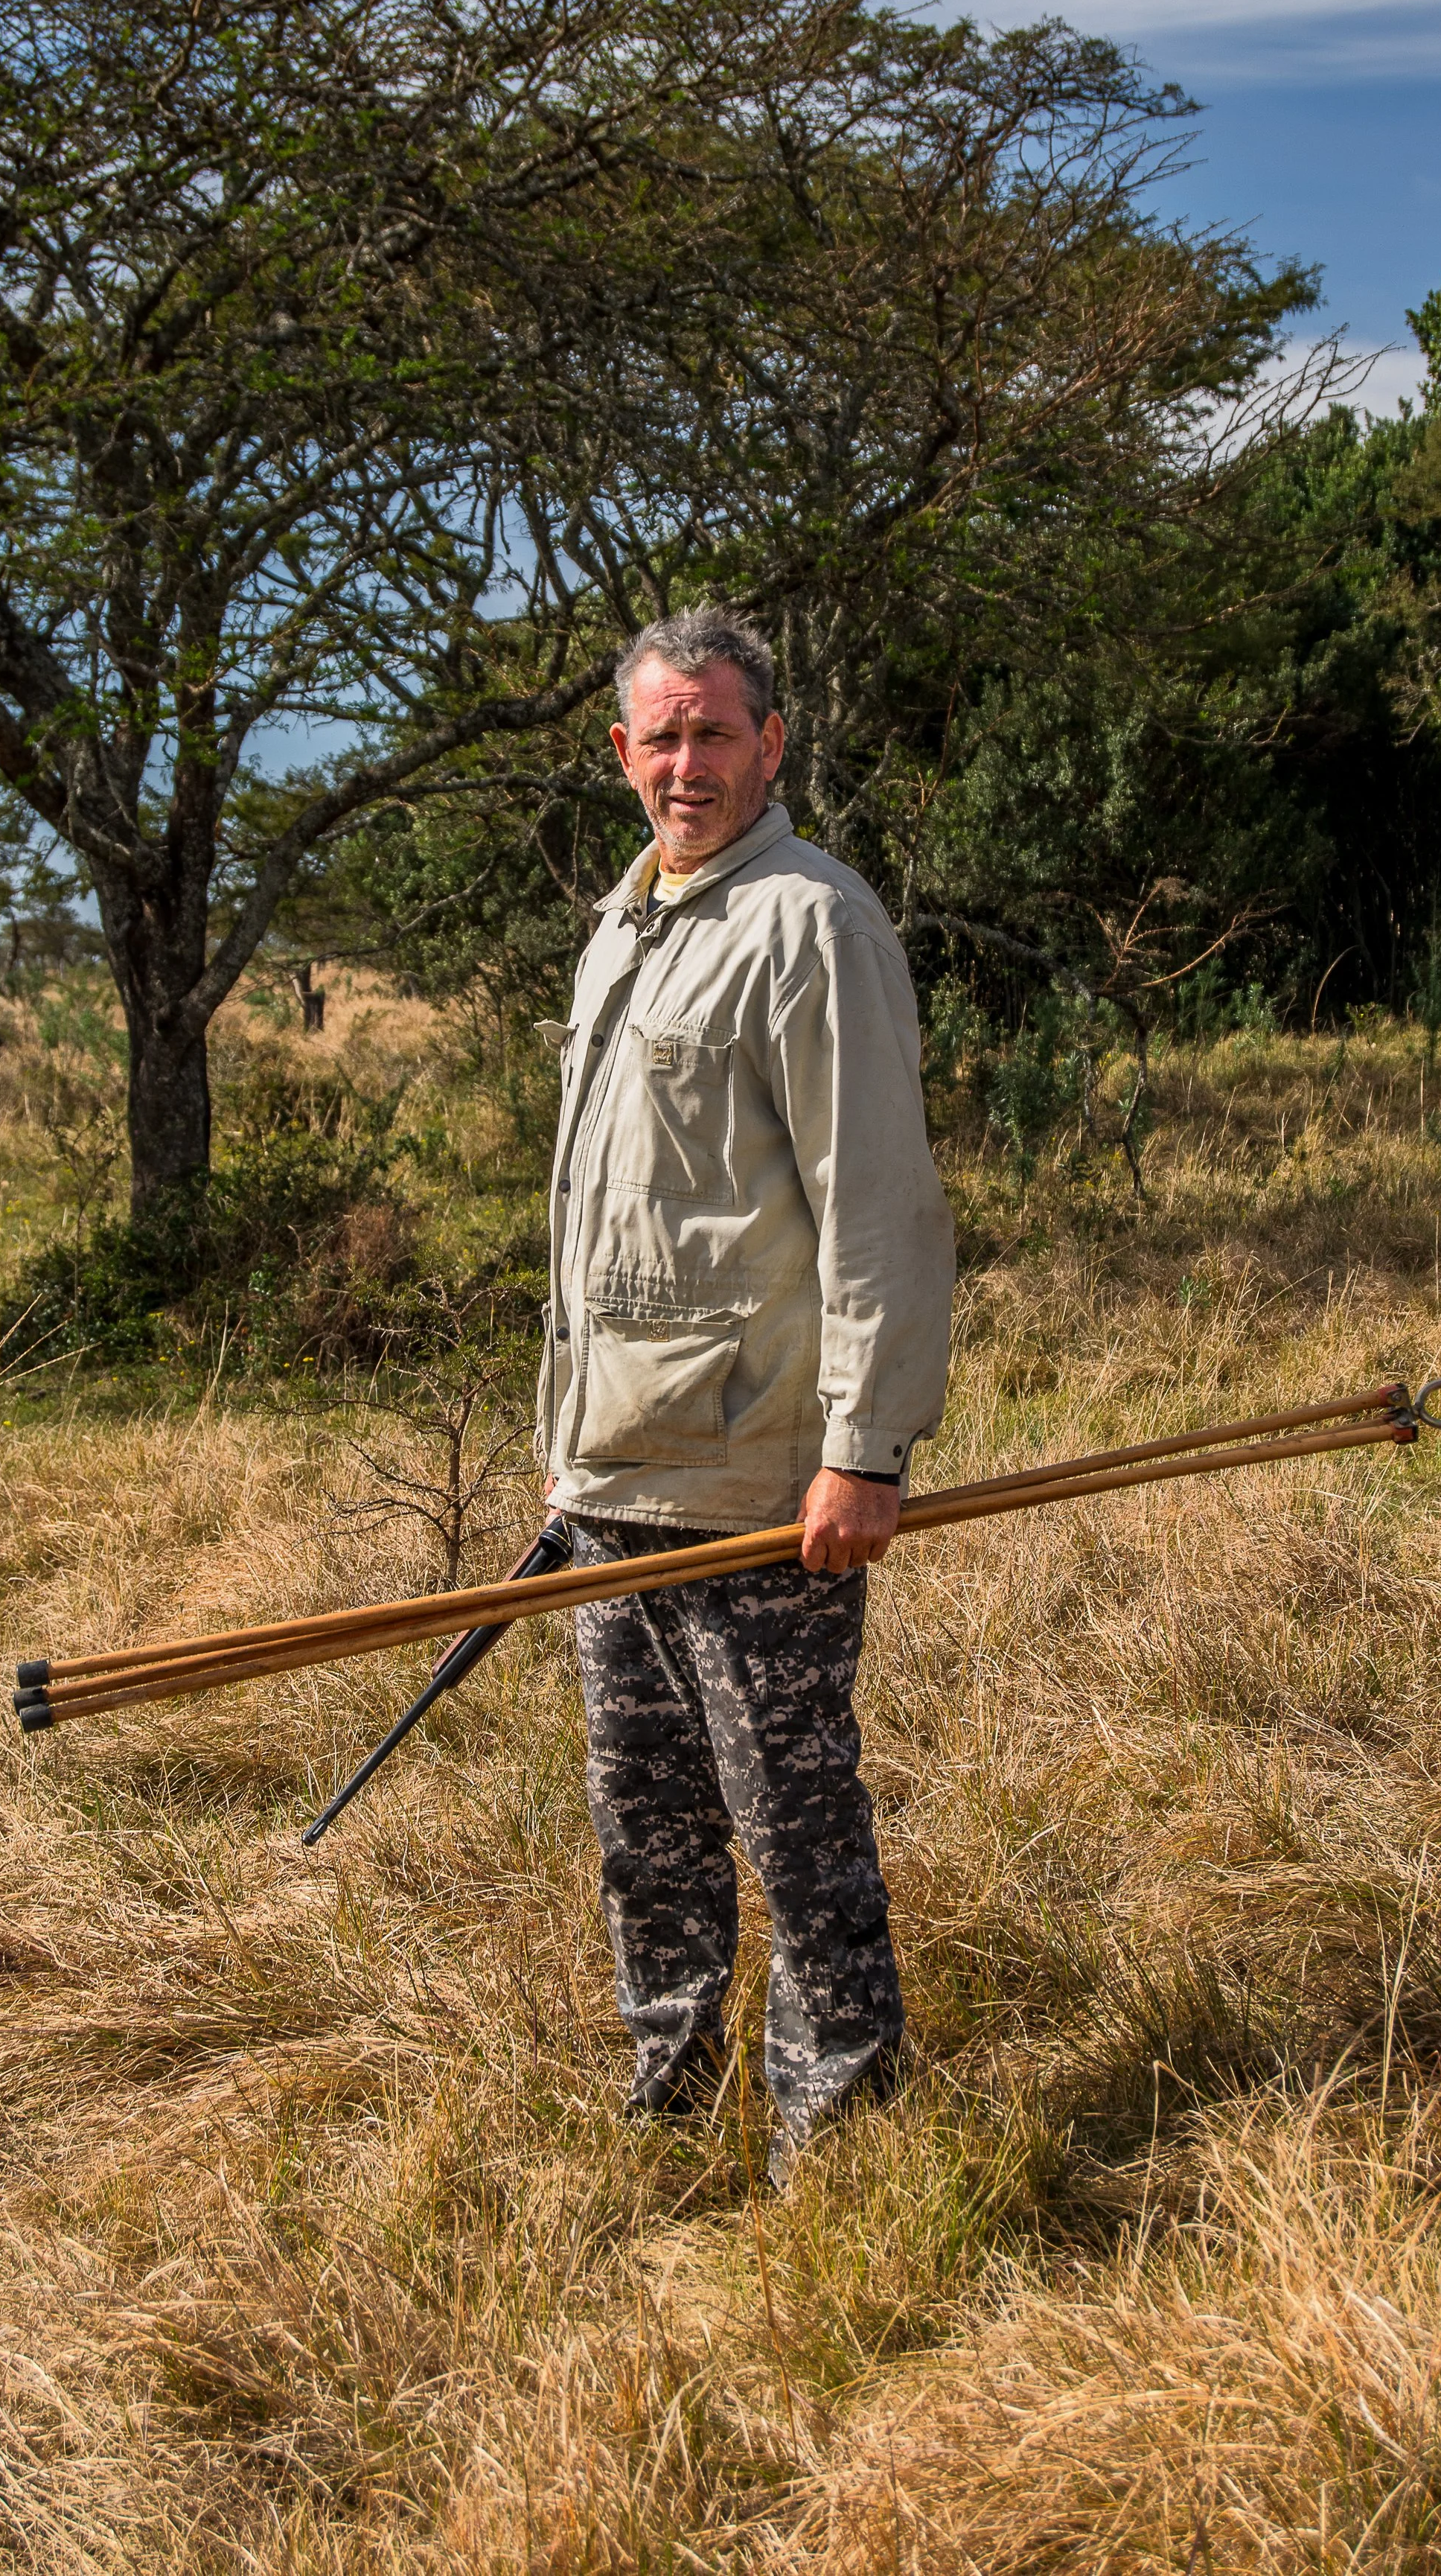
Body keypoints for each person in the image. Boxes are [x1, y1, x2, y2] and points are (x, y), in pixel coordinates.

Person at [540, 605, 956, 2179]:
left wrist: (863, 1451)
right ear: (621, 754)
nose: (686, 763)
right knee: (645, 1834)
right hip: (614, 1482)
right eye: (660, 735)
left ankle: (837, 2144)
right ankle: (673, 2106)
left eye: (715, 733)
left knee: (793, 1831)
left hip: (762, 1489)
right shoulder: (625, 920)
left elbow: (878, 1209)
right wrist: (566, 1451)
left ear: (770, 745)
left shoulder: (809, 922)